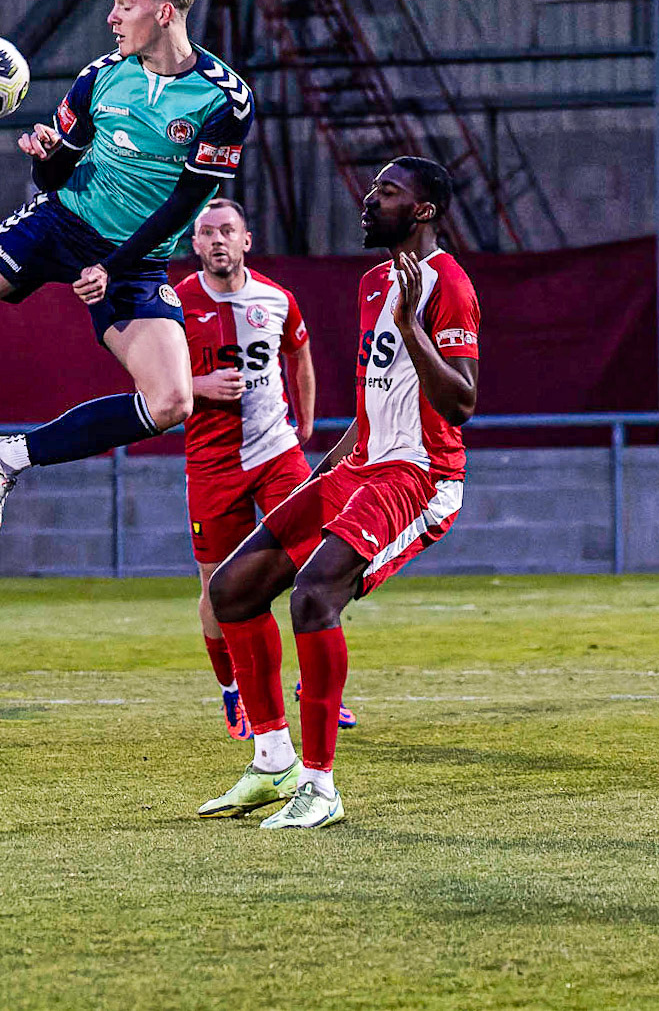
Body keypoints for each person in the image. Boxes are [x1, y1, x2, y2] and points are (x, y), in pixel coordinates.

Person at [0, 0, 253, 541]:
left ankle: (8, 457)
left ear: (163, 11)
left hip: (133, 261)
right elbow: (52, 177)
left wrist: (115, 264)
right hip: (58, 224)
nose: (111, 18)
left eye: (124, 4)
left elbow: (190, 201)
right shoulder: (98, 80)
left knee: (171, 403)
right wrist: (48, 156)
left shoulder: (225, 98)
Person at [196, 157, 479, 829]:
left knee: (314, 595)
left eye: (386, 192)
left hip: (420, 474)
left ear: (423, 210)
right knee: (231, 589)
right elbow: (374, 393)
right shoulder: (374, 280)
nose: (368, 199)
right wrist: (327, 468)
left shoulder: (450, 286)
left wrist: (413, 327)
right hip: (360, 465)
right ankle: (271, 763)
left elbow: (462, 401)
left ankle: (320, 787)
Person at [177, 197, 353, 740]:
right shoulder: (172, 303)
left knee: (316, 566)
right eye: (207, 233)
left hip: (277, 454)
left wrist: (306, 420)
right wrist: (199, 387)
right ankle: (233, 691)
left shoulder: (276, 299)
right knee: (217, 587)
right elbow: (150, 379)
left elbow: (298, 354)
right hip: (212, 465)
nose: (218, 240)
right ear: (195, 245)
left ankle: (314, 685)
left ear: (246, 240)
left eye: (227, 230)